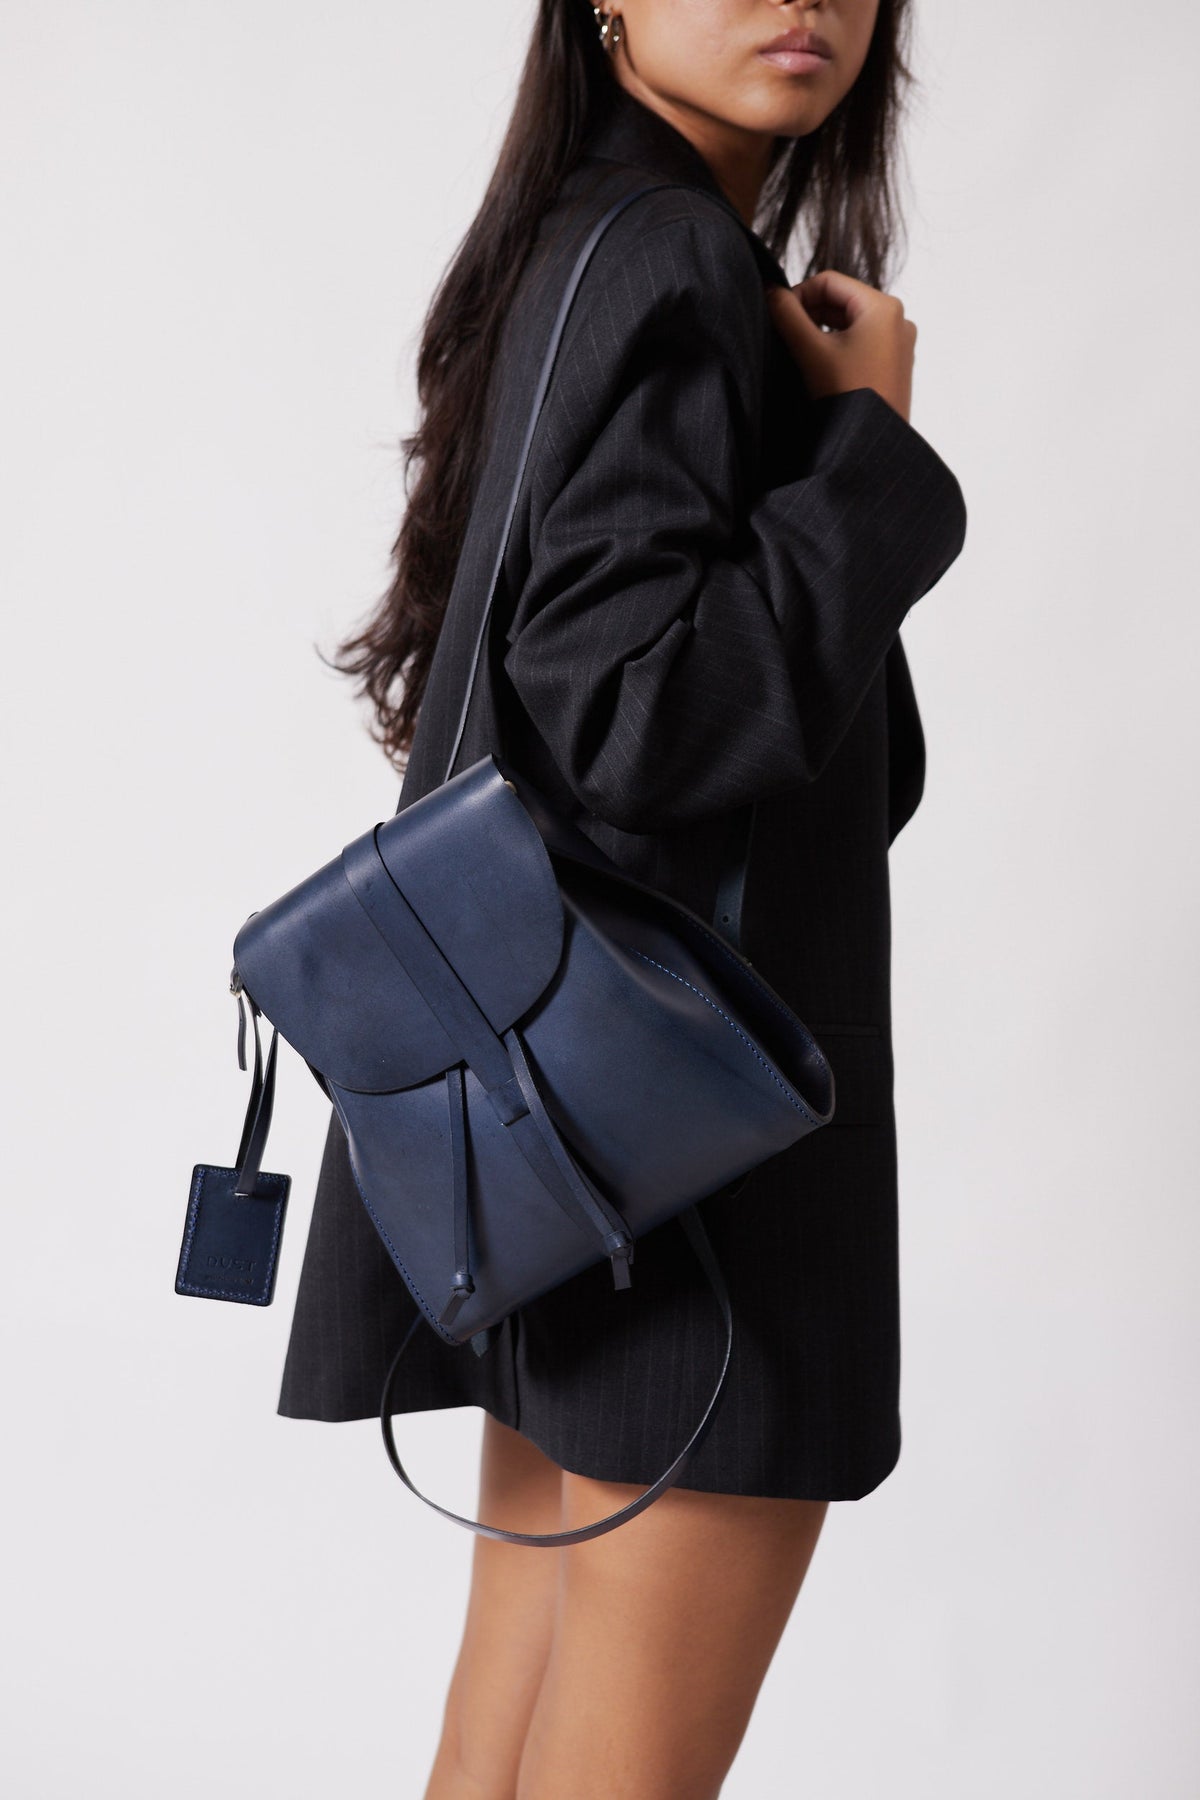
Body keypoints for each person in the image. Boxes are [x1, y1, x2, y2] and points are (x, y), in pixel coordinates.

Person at [276, 2, 968, 1793]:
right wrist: (870, 458)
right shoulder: (670, 258)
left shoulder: (588, 228)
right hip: (692, 1146)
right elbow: (639, 717)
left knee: (502, 1748)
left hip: (560, 1123)